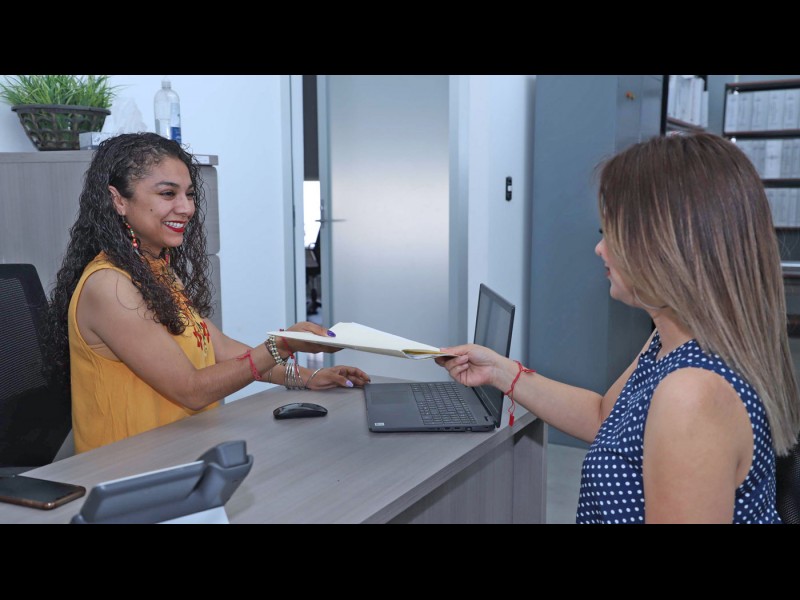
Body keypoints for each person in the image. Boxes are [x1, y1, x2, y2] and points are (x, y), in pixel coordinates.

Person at [437, 132, 800, 524]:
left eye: (612, 234)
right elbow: (602, 417)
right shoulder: (673, 337)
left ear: (668, 247)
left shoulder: (693, 395)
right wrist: (499, 370)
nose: (600, 249)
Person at [46, 132, 369, 454]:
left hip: (183, 449)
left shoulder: (154, 268)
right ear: (118, 200)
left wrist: (306, 377)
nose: (186, 208)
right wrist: (282, 345)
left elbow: (219, 347)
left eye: (189, 194)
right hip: (127, 467)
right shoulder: (111, 285)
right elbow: (191, 390)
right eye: (168, 194)